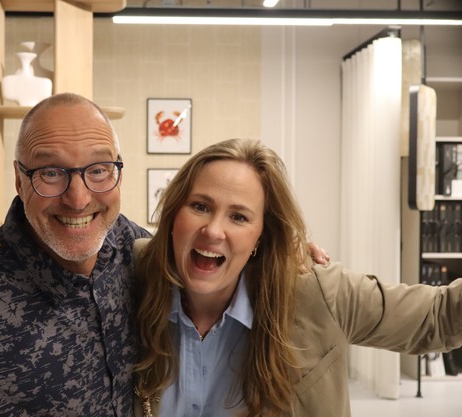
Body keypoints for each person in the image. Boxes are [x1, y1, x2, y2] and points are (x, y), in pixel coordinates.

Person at [0, 94, 328, 417]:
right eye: (51, 173)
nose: (78, 198)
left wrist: (276, 254)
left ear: (117, 172)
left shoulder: (140, 252)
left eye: (98, 170)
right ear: (19, 179)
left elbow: (212, 257)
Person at [132, 138, 462, 417]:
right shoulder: (132, 273)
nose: (214, 231)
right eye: (200, 206)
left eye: (239, 217)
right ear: (174, 215)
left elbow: (438, 316)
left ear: (261, 236)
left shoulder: (315, 291)